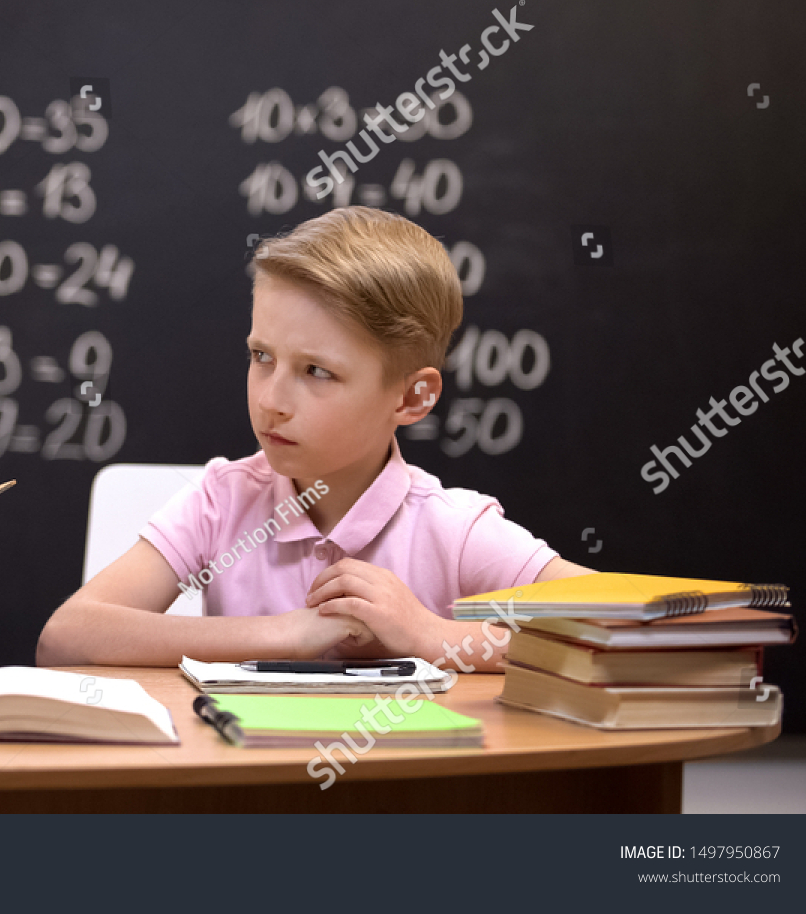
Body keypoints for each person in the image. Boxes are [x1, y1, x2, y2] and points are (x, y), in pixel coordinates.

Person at [37, 206, 596, 670]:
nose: (271, 399)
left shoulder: (454, 530)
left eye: (317, 372)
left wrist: (431, 635)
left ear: (411, 398)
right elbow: (68, 636)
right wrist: (286, 634)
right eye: (262, 357)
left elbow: (624, 628)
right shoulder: (221, 501)